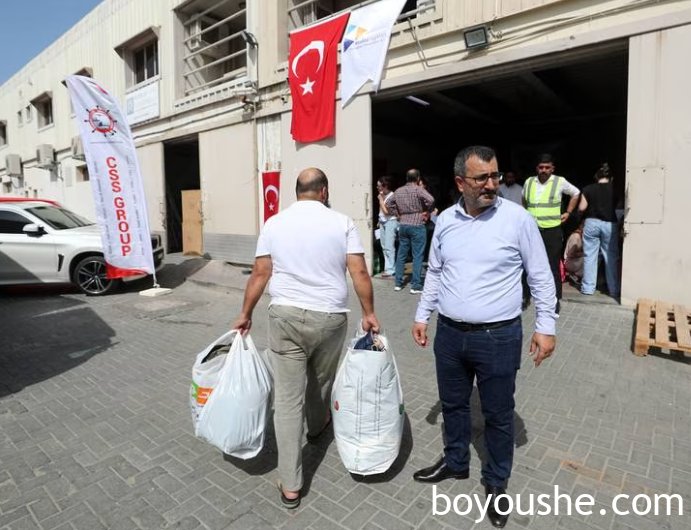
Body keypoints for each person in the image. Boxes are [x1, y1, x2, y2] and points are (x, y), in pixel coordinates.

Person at [412, 146, 557, 529]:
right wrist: (422, 314)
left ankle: (496, 482)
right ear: (461, 182)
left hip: (498, 337)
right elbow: (435, 272)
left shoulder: (517, 220)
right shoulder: (446, 220)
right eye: (483, 178)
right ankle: (456, 461)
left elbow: (541, 276)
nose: (492, 184)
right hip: (449, 335)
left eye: (495, 175)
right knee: (454, 404)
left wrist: (546, 326)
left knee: (498, 414)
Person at [231, 168, 380, 509]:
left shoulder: (274, 223)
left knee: (287, 400)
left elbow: (260, 273)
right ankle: (316, 428)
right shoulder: (342, 222)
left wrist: (245, 313)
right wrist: (369, 312)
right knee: (321, 380)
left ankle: (291, 484)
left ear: (297, 191)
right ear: (323, 191)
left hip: (285, 316)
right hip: (330, 317)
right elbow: (358, 270)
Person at [523, 154, 580, 312]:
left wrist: (568, 212)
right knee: (528, 264)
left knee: (552, 266)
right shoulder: (529, 182)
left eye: (547, 167)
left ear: (552, 168)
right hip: (532, 231)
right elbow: (524, 200)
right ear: (537, 168)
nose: (544, 170)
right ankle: (526, 296)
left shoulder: (559, 181)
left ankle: (555, 300)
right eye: (541, 167)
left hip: (552, 231)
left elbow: (576, 193)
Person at [577, 163, 621, 298]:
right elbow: (619, 208)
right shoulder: (616, 189)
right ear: (611, 178)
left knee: (590, 256)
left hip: (591, 223)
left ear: (597, 177)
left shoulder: (588, 189)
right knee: (611, 256)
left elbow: (582, 208)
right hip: (610, 224)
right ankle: (613, 289)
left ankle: (588, 288)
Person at [389, 168, 435, 294]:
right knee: (418, 256)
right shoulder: (418, 189)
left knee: (401, 254)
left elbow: (389, 203)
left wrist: (397, 214)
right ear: (418, 178)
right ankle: (416, 285)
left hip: (403, 224)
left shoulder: (398, 190)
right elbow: (431, 199)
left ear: (406, 178)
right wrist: (427, 210)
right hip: (417, 223)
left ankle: (398, 283)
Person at [376, 176, 398, 278]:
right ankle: (387, 267)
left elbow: (386, 212)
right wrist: (379, 219)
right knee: (384, 246)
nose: (377, 187)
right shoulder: (382, 195)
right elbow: (381, 211)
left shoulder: (392, 197)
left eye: (379, 186)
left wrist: (381, 200)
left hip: (391, 221)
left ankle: (391, 269)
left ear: (385, 186)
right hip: (383, 221)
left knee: (389, 246)